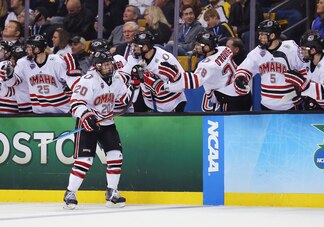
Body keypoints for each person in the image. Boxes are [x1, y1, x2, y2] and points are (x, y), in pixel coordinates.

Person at [63, 49, 139, 209]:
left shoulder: (117, 78)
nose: (109, 67)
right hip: (88, 124)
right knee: (84, 160)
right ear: (96, 66)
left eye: (110, 63)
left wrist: (136, 85)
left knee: (116, 157)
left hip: (107, 123)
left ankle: (112, 192)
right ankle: (70, 192)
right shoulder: (88, 80)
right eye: (105, 64)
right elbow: (75, 103)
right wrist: (86, 116)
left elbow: (126, 101)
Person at [143, 30, 252, 112]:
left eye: (199, 45)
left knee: (230, 133)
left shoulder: (207, 65)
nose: (196, 47)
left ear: (207, 47)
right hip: (244, 93)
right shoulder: (225, 49)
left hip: (231, 99)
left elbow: (193, 83)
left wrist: (164, 85)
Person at [233, 19, 307, 111]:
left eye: (263, 34)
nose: (260, 37)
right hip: (266, 105)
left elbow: (305, 69)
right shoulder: (257, 52)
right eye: (259, 34)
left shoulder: (291, 48)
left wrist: (303, 91)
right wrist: (240, 78)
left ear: (272, 35)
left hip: (289, 105)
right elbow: (243, 69)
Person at [1, 35, 80, 114]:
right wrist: (9, 75)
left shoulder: (57, 61)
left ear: (38, 48)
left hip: (62, 111)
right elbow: (14, 82)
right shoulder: (23, 63)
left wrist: (73, 74)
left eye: (29, 47)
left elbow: (73, 83)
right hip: (38, 113)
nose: (27, 49)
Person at [126, 31, 187, 112]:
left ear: (145, 47)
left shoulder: (166, 59)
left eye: (137, 46)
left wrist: (161, 86)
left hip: (172, 104)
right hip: (150, 103)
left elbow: (183, 84)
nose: (134, 48)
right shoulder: (134, 59)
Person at [284, 30, 324, 110]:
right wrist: (298, 94)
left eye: (304, 49)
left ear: (313, 50)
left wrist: (302, 83)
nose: (302, 52)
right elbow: (305, 83)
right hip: (318, 103)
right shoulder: (308, 60)